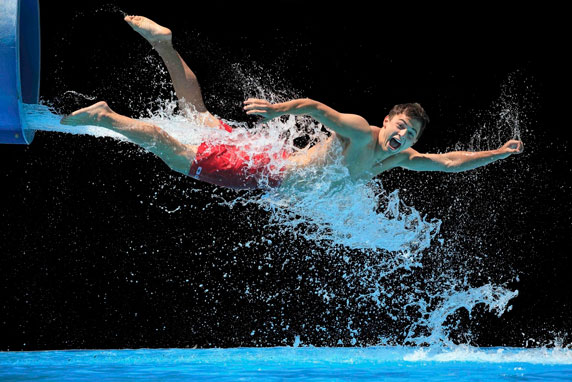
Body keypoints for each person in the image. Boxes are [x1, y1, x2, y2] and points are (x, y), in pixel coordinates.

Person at [61, 16, 524, 191]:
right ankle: (105, 116)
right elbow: (319, 109)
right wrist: (279, 110)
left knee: (196, 114)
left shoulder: (398, 160)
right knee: (167, 147)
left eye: (411, 134)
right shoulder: (363, 133)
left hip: (266, 159)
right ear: (387, 120)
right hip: (262, 171)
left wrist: (498, 154)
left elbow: (450, 163)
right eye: (400, 125)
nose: (403, 135)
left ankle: (164, 44)